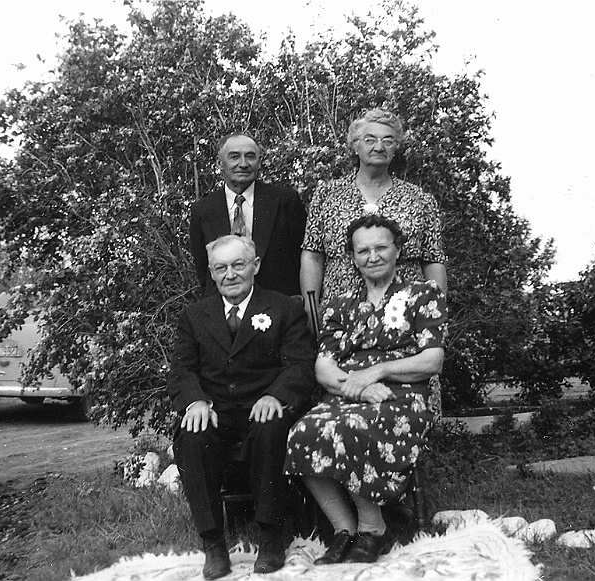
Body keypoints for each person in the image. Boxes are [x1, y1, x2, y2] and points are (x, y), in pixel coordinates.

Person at [285, 215, 448, 565]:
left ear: (397, 249)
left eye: (380, 247)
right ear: (353, 257)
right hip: (349, 393)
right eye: (363, 250)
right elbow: (323, 366)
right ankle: (344, 528)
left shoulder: (423, 294)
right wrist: (356, 390)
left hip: (402, 395)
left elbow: (432, 360)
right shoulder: (340, 304)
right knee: (302, 433)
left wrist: (379, 371)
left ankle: (372, 528)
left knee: (352, 426)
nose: (372, 256)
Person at [167, 235, 315, 580]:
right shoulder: (194, 315)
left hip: (262, 406)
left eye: (238, 265)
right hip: (216, 409)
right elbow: (182, 369)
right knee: (193, 433)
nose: (230, 274)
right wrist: (195, 401)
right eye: (221, 268)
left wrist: (276, 396)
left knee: (272, 427)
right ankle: (213, 543)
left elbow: (300, 365)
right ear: (212, 273)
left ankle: (270, 537)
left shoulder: (283, 308)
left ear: (255, 267)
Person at [300, 108, 447, 306]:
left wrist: (436, 310)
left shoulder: (420, 199)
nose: (379, 147)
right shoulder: (327, 195)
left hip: (406, 312)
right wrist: (310, 308)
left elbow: (433, 260)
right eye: (370, 140)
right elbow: (313, 257)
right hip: (339, 312)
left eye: (387, 141)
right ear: (355, 146)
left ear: (395, 148)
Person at [190, 132, 307, 297]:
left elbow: (302, 258)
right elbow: (203, 269)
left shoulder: (285, 202)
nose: (243, 164)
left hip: (279, 306)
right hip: (223, 309)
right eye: (234, 157)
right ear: (220, 163)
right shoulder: (202, 210)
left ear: (259, 162)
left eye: (250, 156)